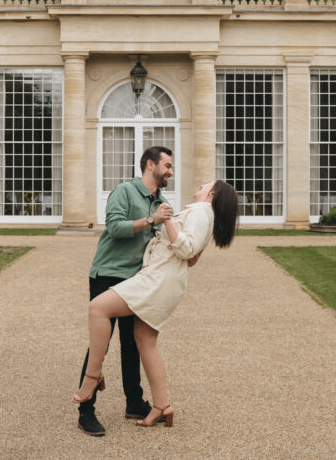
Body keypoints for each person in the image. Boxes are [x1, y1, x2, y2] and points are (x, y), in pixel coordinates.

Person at [73, 178, 240, 429]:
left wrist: (166, 220)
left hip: (158, 279)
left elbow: (186, 249)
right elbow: (191, 253)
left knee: (97, 308)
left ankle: (92, 377)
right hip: (166, 279)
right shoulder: (205, 214)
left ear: (213, 193)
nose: (200, 185)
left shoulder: (200, 211)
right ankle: (162, 406)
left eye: (205, 184)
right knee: (145, 339)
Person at [76, 146, 175, 437]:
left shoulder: (161, 201)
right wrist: (151, 220)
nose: (171, 171)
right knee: (100, 346)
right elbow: (114, 227)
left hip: (136, 282)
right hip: (107, 275)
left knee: (132, 345)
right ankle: (85, 410)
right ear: (150, 164)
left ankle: (134, 402)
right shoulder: (124, 191)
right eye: (167, 166)